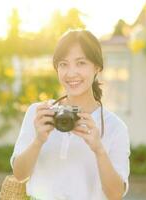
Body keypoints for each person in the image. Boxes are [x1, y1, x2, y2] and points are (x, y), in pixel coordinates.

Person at [10, 29, 130, 200]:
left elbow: (116, 194)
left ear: (97, 67)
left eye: (81, 63)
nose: (71, 72)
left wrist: (99, 150)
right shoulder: (39, 114)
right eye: (63, 64)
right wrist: (38, 141)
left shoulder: (115, 127)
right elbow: (19, 174)